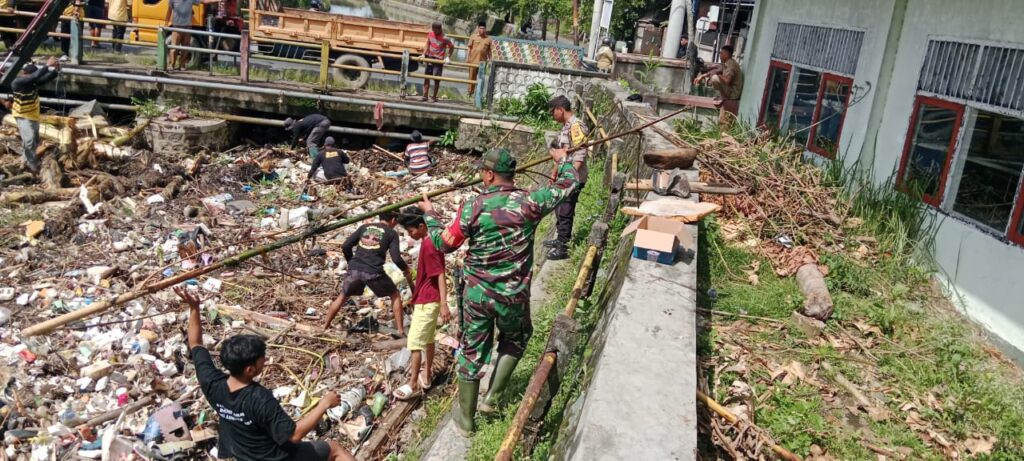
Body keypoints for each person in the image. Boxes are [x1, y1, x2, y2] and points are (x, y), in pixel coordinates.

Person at [416, 147, 579, 436]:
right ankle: (492, 398)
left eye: (482, 171)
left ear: (489, 174)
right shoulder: (530, 201)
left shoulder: (473, 207)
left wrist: (430, 215)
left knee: (472, 351)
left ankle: (466, 422)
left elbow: (444, 244)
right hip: (513, 294)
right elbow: (567, 184)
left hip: (477, 295)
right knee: (516, 338)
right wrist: (563, 160)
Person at [175, 287, 356, 461]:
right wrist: (324, 403)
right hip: (276, 458)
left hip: (242, 455)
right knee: (334, 448)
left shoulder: (212, 382)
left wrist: (194, 308)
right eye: (262, 359)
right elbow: (294, 435)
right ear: (250, 370)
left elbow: (196, 344)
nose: (266, 360)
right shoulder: (259, 399)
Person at [324, 212, 414, 336]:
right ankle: (400, 330)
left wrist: (352, 262)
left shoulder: (364, 227)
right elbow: (396, 258)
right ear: (393, 219)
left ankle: (325, 326)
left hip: (355, 269)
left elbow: (346, 246)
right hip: (373, 271)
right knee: (395, 295)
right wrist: (406, 269)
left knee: (343, 296)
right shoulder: (391, 233)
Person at [392, 207, 450, 401]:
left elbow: (440, 273)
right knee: (428, 339)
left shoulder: (429, 247)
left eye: (411, 231)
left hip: (429, 301)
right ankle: (427, 375)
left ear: (421, 226)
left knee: (414, 343)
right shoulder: (431, 237)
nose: (411, 235)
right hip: (426, 298)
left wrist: (444, 304)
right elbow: (435, 219)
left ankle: (413, 383)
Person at [543, 95, 588, 261]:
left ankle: (563, 246)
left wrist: (571, 178)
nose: (552, 115)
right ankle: (559, 238)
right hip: (564, 176)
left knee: (566, 210)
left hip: (572, 177)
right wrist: (554, 175)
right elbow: (559, 154)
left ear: (560, 109)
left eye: (552, 111)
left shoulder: (576, 126)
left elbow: (580, 154)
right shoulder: (565, 127)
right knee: (559, 207)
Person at [11, 58, 61, 175]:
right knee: (29, 140)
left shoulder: (32, 82)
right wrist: (47, 65)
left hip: (33, 115)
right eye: (31, 75)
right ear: (25, 74)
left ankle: (24, 160)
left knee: (35, 140)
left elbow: (45, 78)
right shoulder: (18, 82)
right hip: (22, 115)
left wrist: (56, 70)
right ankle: (32, 166)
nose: (34, 77)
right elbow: (34, 77)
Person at [693, 44, 743, 129]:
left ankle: (723, 97)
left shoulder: (731, 65)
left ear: (727, 55)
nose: (720, 55)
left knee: (715, 78)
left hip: (733, 95)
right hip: (730, 91)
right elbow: (717, 69)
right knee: (714, 75)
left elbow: (727, 81)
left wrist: (717, 75)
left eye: (721, 53)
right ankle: (723, 96)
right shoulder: (726, 63)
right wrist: (703, 76)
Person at [166, 0, 219, 70]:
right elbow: (169, 11)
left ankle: (182, 65)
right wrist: (166, 23)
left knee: (185, 48)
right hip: (176, 27)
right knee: (174, 48)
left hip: (187, 27)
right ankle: (171, 65)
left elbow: (203, 1)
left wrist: (216, 0)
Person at [421, 21, 454, 103]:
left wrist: (448, 57)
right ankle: (425, 95)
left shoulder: (445, 37)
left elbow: (452, 47)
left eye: (436, 30)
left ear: (440, 29)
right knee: (426, 77)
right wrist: (423, 54)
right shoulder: (430, 34)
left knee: (436, 78)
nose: (434, 32)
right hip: (430, 57)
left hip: (439, 60)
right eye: (433, 30)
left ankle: (434, 97)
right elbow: (427, 43)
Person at [466, 21, 492, 96]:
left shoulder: (488, 39)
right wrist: (467, 58)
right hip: (473, 61)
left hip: (482, 62)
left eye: (483, 28)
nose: (482, 30)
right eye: (480, 28)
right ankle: (470, 93)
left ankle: (478, 94)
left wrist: (490, 60)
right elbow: (469, 48)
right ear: (478, 28)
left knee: (481, 78)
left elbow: (490, 51)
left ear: (485, 29)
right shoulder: (473, 36)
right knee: (471, 77)